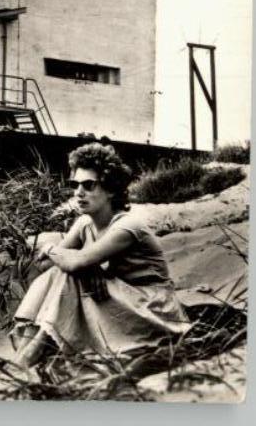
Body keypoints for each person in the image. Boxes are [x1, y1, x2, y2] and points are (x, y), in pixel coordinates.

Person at [13, 143, 189, 367]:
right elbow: (47, 264)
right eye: (74, 184)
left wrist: (50, 246)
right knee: (58, 272)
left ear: (111, 189)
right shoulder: (85, 222)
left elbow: (73, 261)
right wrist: (81, 265)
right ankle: (25, 352)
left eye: (88, 185)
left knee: (70, 273)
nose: (78, 192)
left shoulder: (128, 226)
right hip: (119, 302)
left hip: (153, 309)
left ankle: (29, 357)